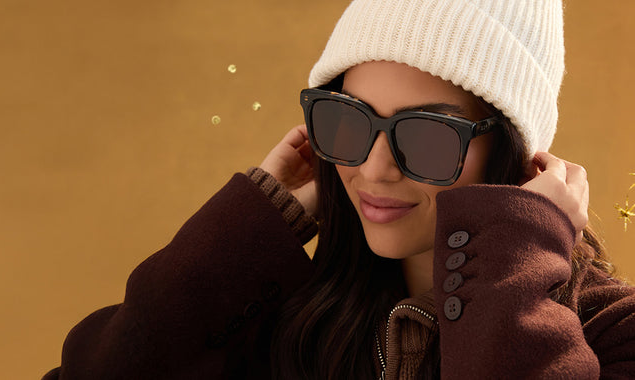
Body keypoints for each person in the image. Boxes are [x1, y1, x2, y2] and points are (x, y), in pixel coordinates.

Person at [43, 0, 635, 379]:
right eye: (348, 122)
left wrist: (518, 249)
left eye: (427, 136)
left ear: (514, 153)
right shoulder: (288, 323)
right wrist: (245, 233)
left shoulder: (612, 332)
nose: (374, 170)